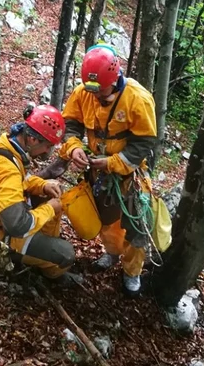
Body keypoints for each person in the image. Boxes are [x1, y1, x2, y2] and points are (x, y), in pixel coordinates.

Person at [59, 45, 157, 295]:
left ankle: (132, 271)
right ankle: (112, 253)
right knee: (107, 222)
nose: (95, 96)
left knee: (137, 225)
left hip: (130, 175)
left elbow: (144, 142)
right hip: (99, 174)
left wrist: (114, 162)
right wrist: (73, 147)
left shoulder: (137, 98)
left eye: (100, 90)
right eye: (91, 90)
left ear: (114, 79)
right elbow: (71, 123)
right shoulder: (84, 92)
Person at [0, 105, 75, 279]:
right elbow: (17, 226)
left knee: (49, 199)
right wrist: (50, 208)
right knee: (65, 255)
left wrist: (42, 185)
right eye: (47, 146)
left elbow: (19, 180)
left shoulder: (7, 144)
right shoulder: (4, 166)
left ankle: (41, 248)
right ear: (33, 140)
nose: (46, 152)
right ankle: (49, 271)